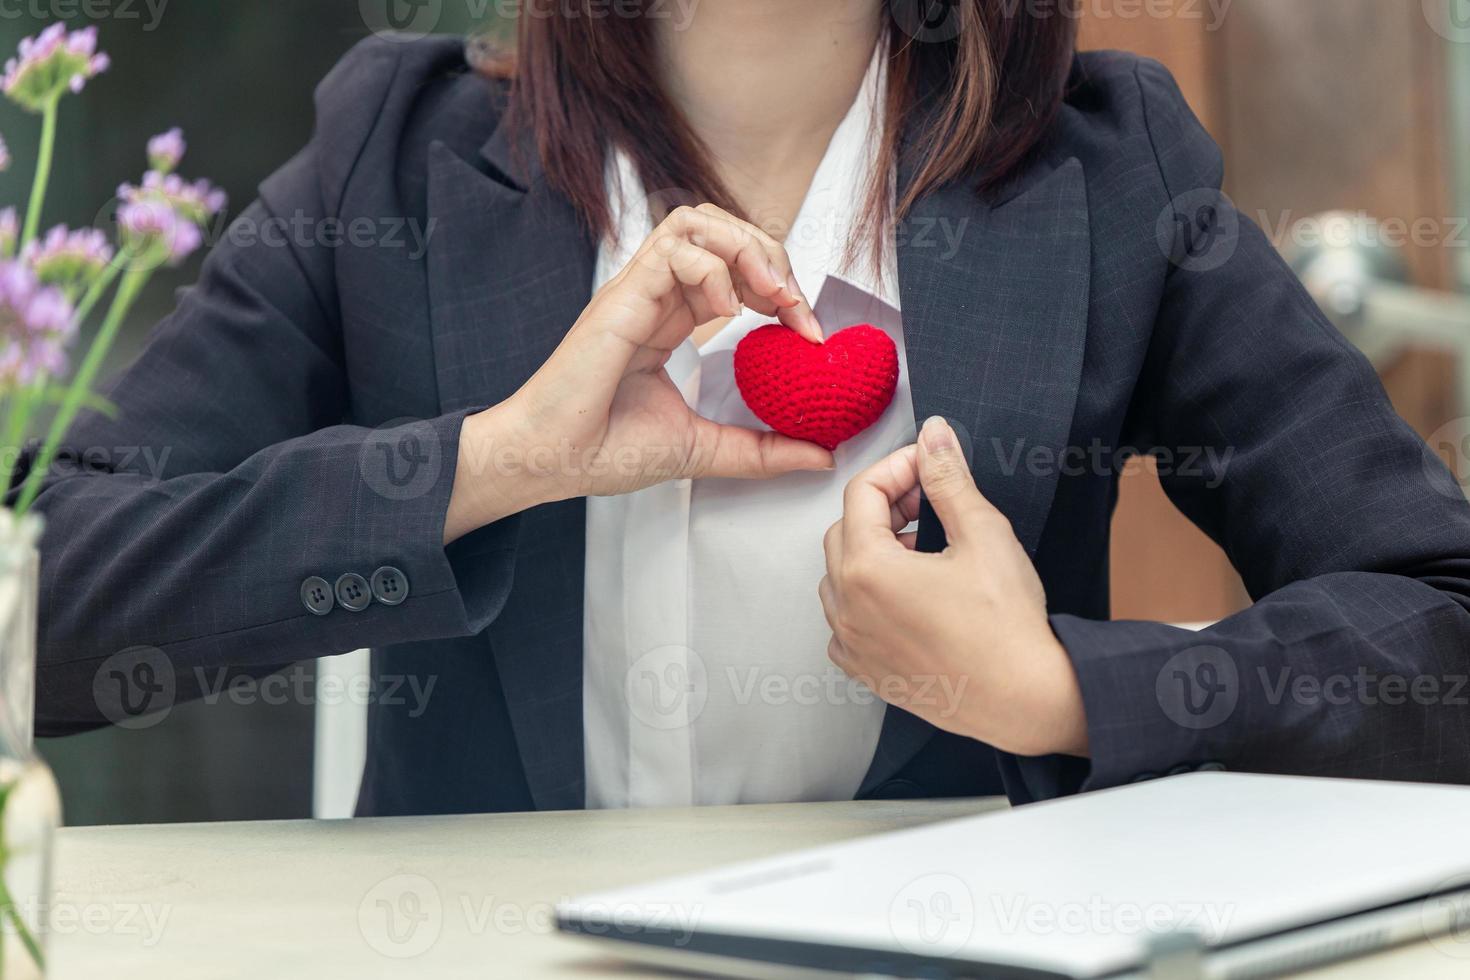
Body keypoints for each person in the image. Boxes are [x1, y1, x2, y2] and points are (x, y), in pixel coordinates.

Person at [24, 0, 1470, 815]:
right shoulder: (391, 160)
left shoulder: (1105, 171)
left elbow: (1440, 622)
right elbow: (41, 607)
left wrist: (1058, 691)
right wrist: (496, 462)